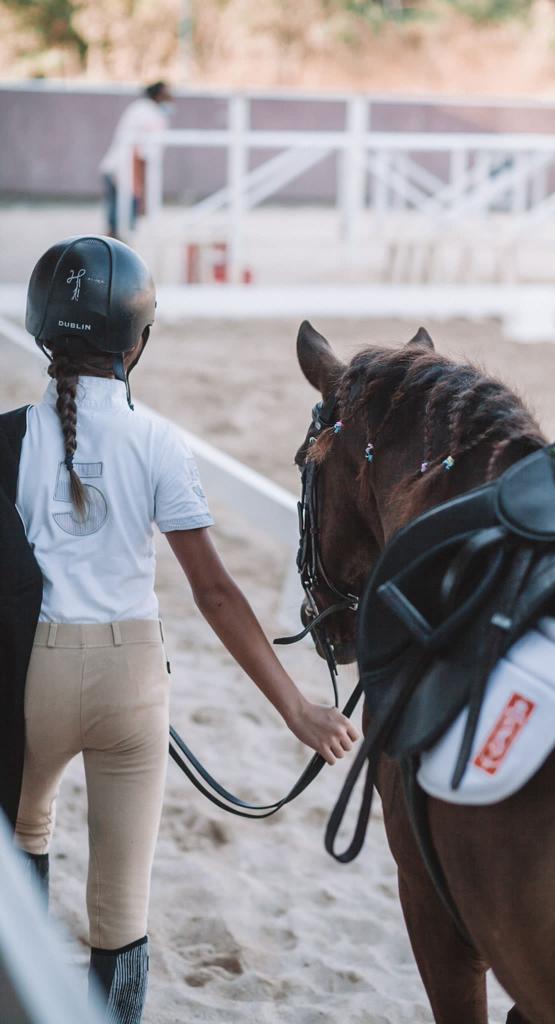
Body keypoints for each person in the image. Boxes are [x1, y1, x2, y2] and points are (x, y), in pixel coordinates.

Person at [0, 235, 359, 1024]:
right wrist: (295, 708)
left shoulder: (8, 439)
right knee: (121, 909)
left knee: (24, 840)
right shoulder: (159, 441)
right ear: (140, 343)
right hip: (131, 684)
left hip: (33, 677)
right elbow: (217, 594)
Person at [100, 82, 173, 239]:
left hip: (117, 169)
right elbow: (139, 153)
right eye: (168, 94)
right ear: (158, 95)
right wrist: (140, 188)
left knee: (117, 225)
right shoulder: (149, 114)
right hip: (125, 173)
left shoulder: (140, 109)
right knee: (123, 227)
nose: (172, 98)